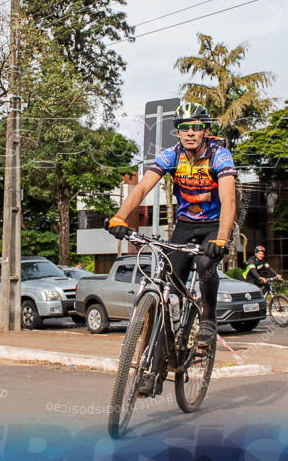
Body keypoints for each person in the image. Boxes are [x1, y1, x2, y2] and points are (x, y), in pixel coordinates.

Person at [107, 102, 236, 397]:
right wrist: (120, 218)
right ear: (177, 131)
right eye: (183, 128)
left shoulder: (219, 155)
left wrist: (222, 238)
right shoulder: (171, 155)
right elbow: (141, 188)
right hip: (185, 225)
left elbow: (228, 200)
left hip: (215, 224)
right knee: (168, 292)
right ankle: (152, 372)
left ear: (205, 130)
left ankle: (208, 318)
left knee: (205, 264)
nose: (190, 133)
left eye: (195, 127)